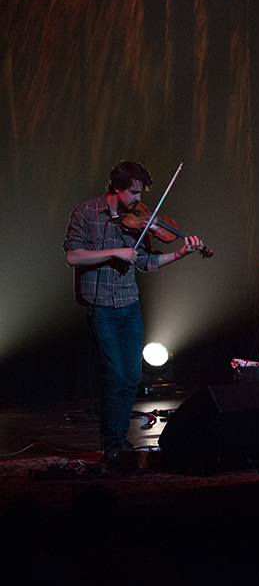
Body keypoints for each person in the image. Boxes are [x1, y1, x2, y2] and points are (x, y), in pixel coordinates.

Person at [64, 160, 203, 466]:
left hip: (129, 303)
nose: (140, 201)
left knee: (132, 375)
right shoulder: (86, 212)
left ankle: (120, 439)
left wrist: (180, 253)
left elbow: (146, 263)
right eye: (135, 192)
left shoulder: (137, 221)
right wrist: (114, 252)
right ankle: (112, 443)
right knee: (114, 373)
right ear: (117, 188)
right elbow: (73, 256)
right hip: (100, 304)